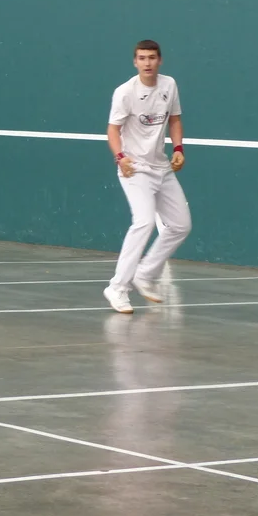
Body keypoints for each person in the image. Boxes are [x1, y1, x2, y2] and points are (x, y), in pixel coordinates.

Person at [103, 40, 191, 314]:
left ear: (160, 60)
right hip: (134, 168)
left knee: (180, 225)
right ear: (135, 62)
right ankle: (117, 287)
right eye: (142, 58)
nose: (147, 63)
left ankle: (144, 274)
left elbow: (174, 119)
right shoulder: (125, 92)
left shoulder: (169, 85)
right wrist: (121, 157)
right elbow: (113, 130)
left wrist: (178, 148)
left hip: (161, 167)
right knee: (143, 222)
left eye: (152, 57)